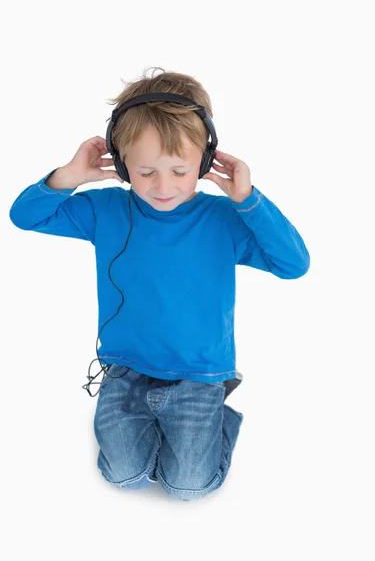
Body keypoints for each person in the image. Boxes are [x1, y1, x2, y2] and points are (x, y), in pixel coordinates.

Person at [9, 67, 310, 501]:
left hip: (200, 374)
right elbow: (25, 216)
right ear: (121, 160)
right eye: (146, 171)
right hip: (126, 369)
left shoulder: (225, 219)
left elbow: (293, 264)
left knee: (187, 487)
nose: (163, 186)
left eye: (180, 170)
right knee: (123, 477)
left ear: (205, 162)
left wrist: (249, 200)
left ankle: (217, 418)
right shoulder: (105, 209)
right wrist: (70, 176)